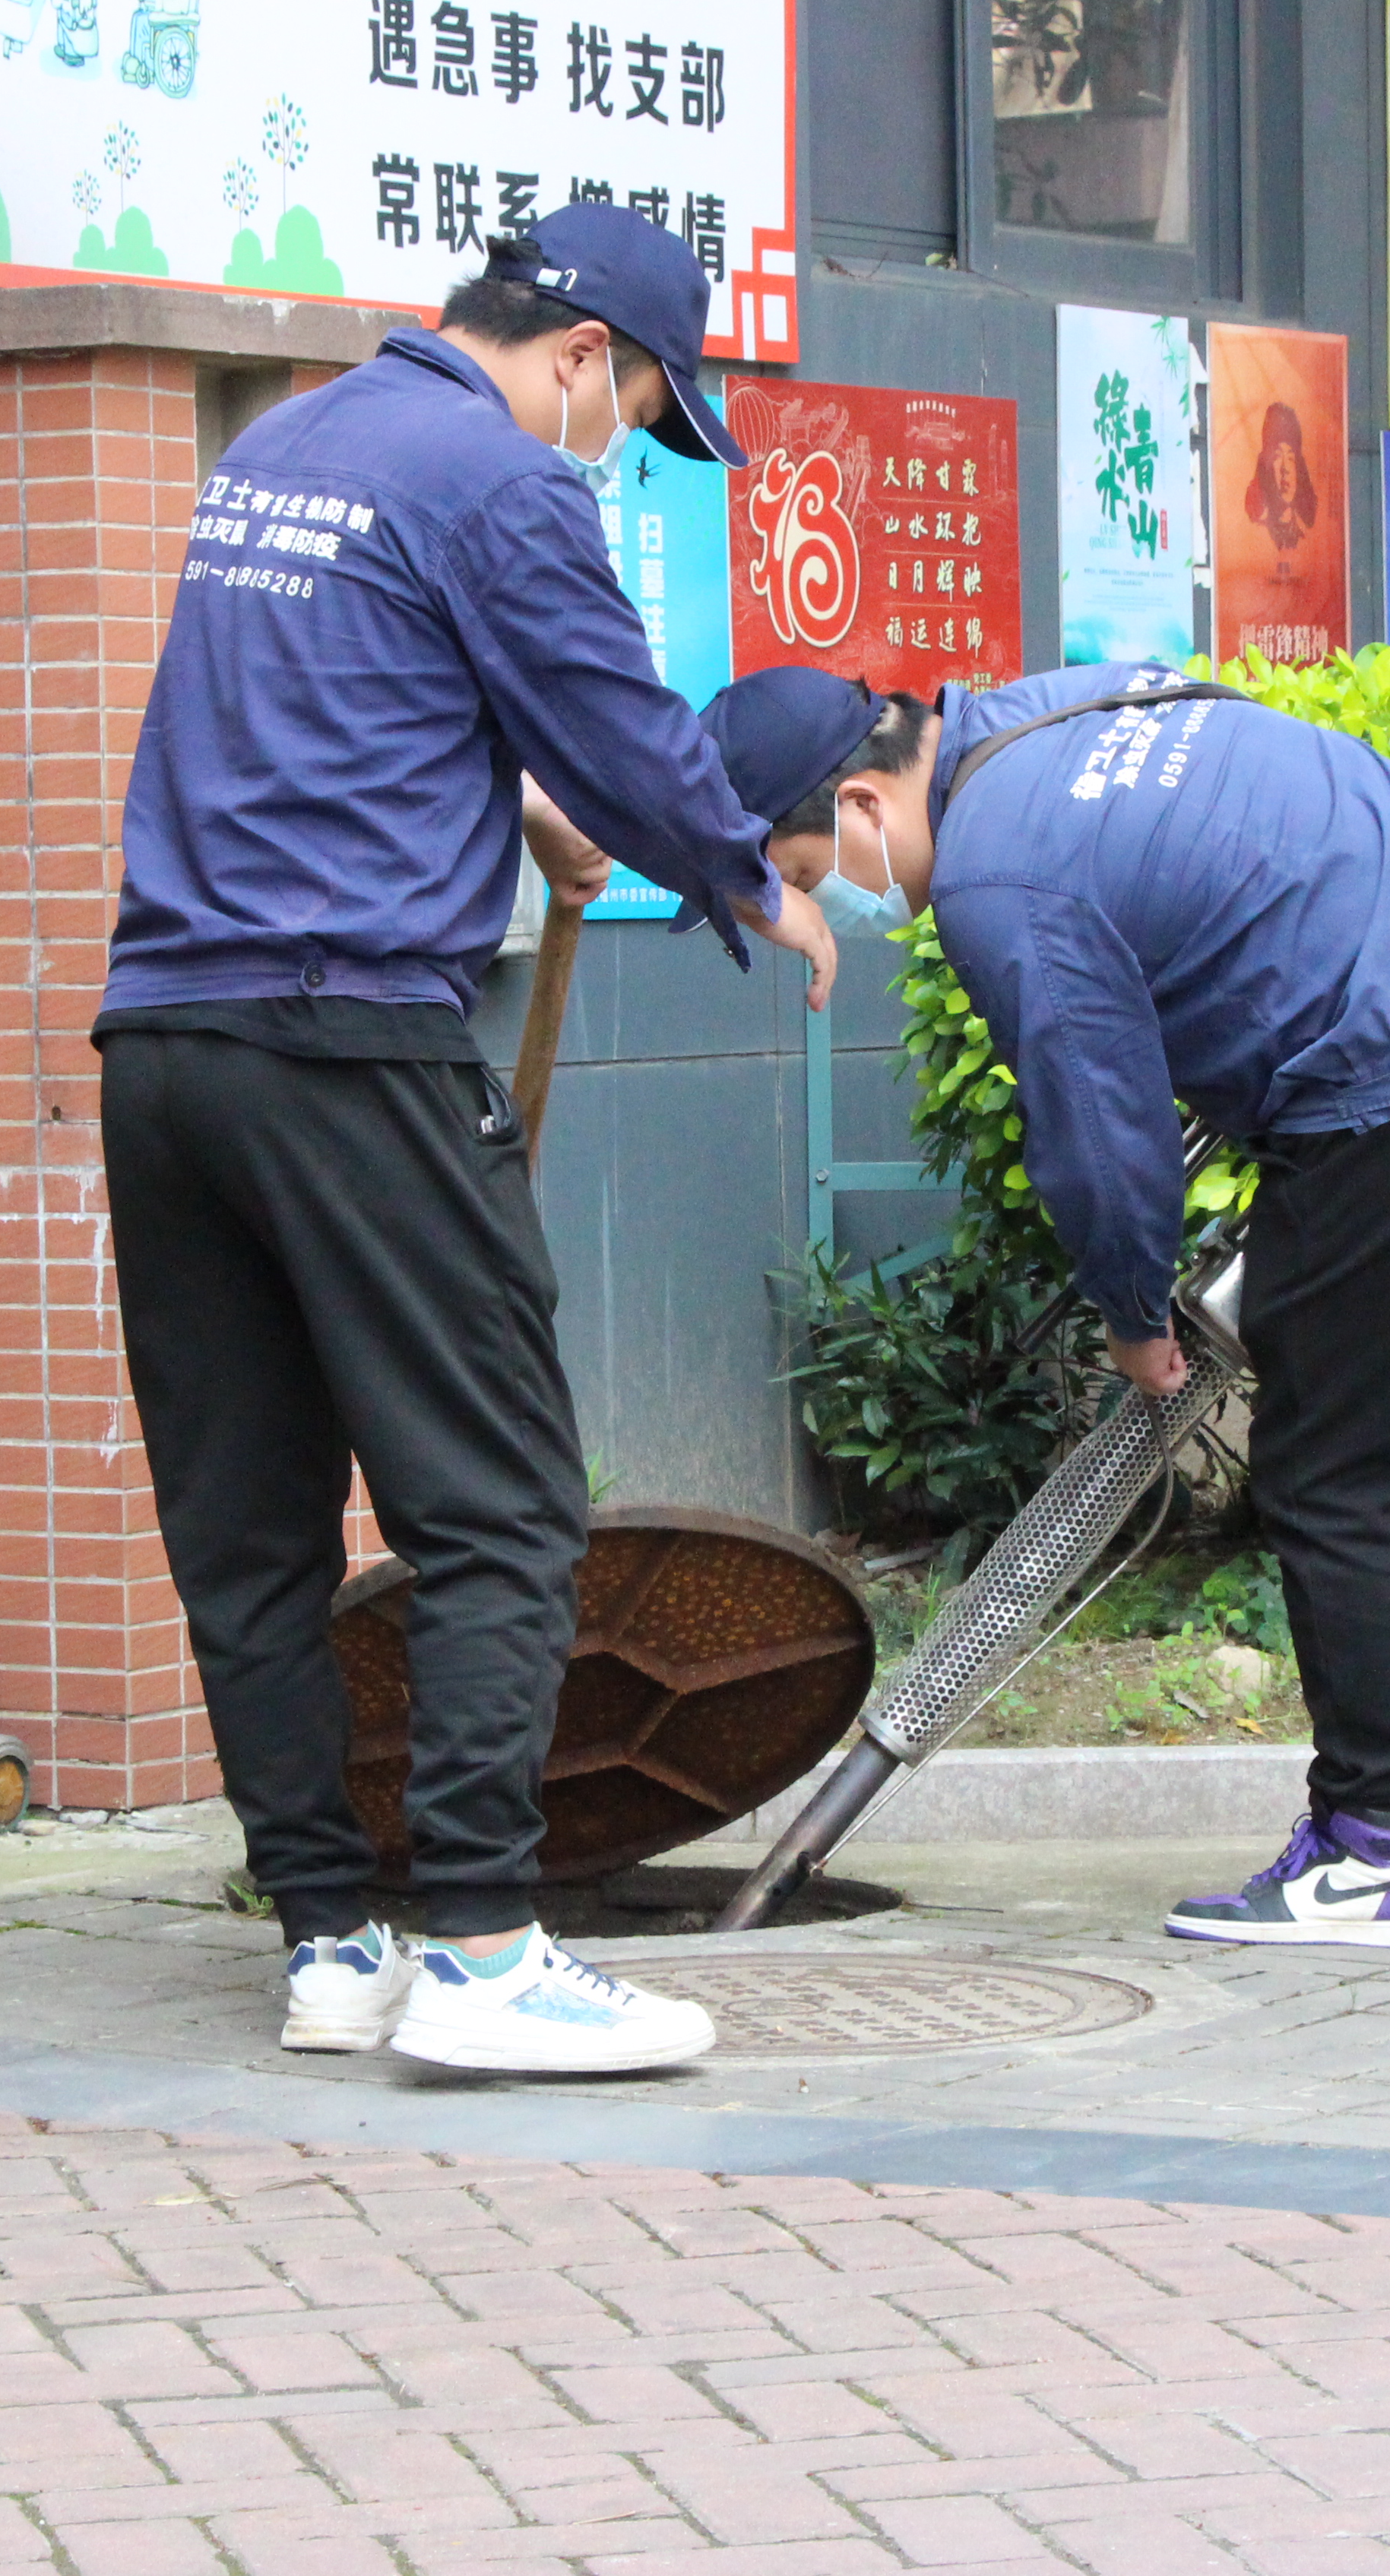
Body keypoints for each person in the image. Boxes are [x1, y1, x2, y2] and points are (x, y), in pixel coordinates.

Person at [696, 662, 1390, 1946]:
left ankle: (1373, 1845)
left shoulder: (998, 881)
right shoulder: (1060, 708)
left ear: (858, 804)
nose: (810, 899)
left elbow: (1097, 1135)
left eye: (792, 866)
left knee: (1336, 1470)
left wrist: (1134, 1319)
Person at [97, 207, 837, 2070]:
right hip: (354, 1052)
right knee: (503, 1506)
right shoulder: (504, 482)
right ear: (582, 354)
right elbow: (625, 727)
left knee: (251, 1532)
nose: (625, 442)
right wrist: (758, 877)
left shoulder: (285, 448)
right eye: (645, 404)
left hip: (170, 1048)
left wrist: (508, 800)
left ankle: (332, 1944)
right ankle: (492, 1953)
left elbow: (329, 716)